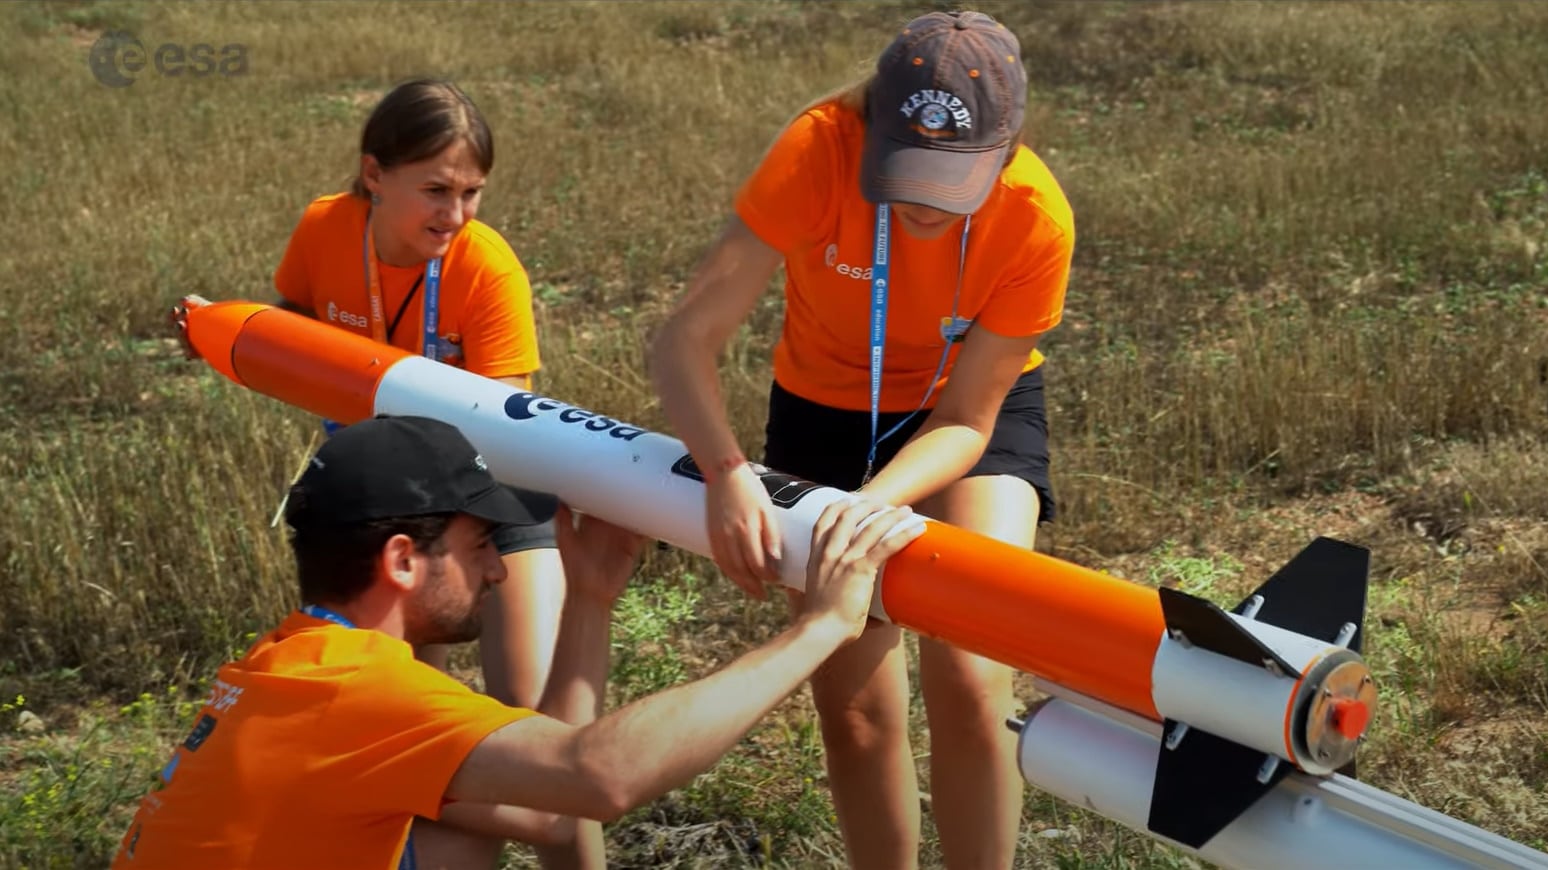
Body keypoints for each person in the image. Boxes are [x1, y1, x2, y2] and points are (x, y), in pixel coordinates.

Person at [109, 415, 925, 870]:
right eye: (477, 547)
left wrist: (592, 601)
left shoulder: (301, 665)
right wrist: (820, 624)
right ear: (401, 560)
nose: (499, 574)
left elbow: (548, 807)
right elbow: (602, 777)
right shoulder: (361, 694)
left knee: (462, 834)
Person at [648, 10, 1074, 869]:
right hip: (825, 411)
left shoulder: (1036, 217)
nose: (922, 204)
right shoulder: (815, 151)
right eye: (905, 173)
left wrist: (868, 510)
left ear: (1008, 146)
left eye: (952, 181)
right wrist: (730, 475)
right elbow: (681, 341)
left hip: (962, 417)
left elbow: (965, 420)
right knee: (852, 704)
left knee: (971, 671)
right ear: (871, 127)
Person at [269, 79, 596, 866]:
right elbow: (292, 323)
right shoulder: (324, 228)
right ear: (373, 175)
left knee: (535, 731)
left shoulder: (488, 270)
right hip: (388, 510)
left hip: (493, 492)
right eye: (436, 191)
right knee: (410, 729)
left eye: (471, 192)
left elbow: (503, 432)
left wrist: (452, 541)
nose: (455, 216)